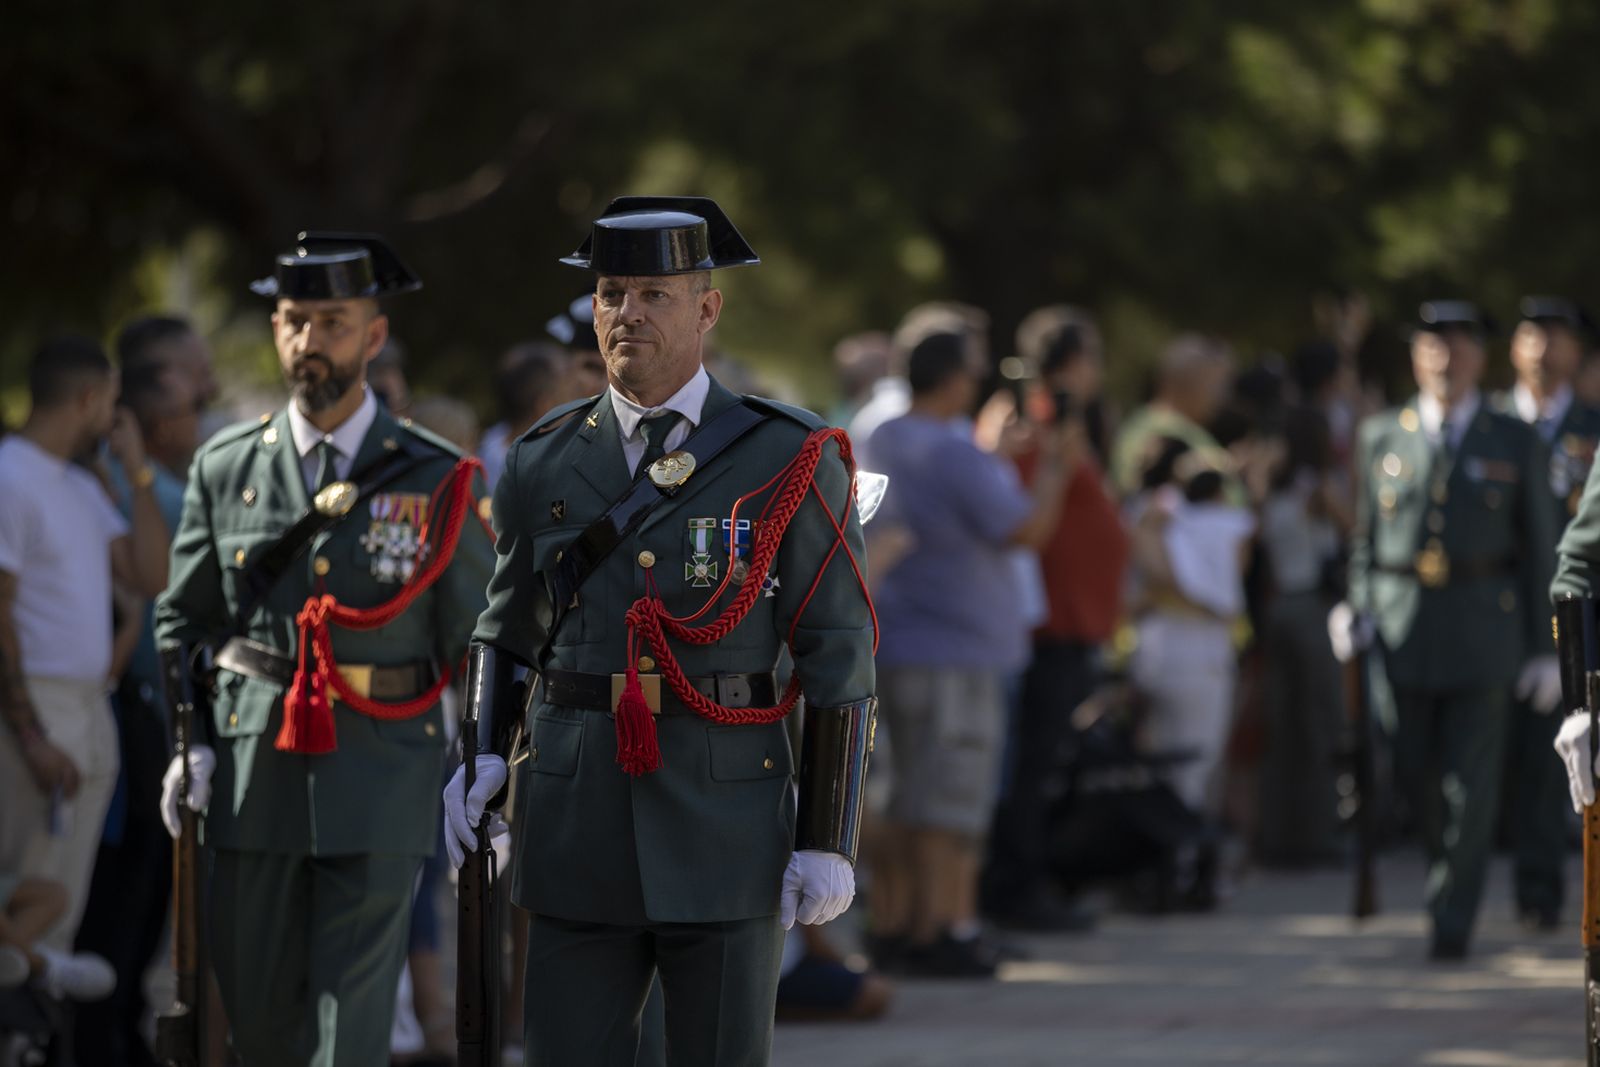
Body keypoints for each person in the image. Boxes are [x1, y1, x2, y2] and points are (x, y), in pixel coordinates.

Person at [443, 196, 877, 1066]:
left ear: (707, 307)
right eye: (611, 293)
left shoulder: (786, 454)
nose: (627, 313)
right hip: (576, 811)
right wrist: (483, 751)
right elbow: (506, 624)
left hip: (724, 813)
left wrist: (828, 834)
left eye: (653, 293)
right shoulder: (543, 457)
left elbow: (838, 646)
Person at [153, 231, 496, 1064]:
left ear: (373, 336)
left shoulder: (436, 476)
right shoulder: (226, 466)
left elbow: (479, 640)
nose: (309, 341)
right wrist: (188, 741)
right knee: (261, 1024)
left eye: (332, 322)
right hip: (249, 773)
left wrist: (481, 767)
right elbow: (183, 620)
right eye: (293, 321)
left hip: (380, 773)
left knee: (353, 1026)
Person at [1345, 300, 1559, 960]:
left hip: (1483, 630)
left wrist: (1547, 646)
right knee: (1412, 771)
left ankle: (1452, 916)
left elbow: (1541, 546)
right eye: (1434, 344)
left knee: (1473, 785)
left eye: (1461, 345)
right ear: (1416, 356)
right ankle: (1445, 878)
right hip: (1404, 625)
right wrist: (1354, 602)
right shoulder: (1382, 433)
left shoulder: (1512, 437)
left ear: (1479, 358)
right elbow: (1363, 538)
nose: (1447, 356)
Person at [863, 326, 1067, 976]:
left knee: (906, 794)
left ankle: (898, 923)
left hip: (903, 643)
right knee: (950, 801)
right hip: (959, 653)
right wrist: (1058, 469)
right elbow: (1024, 528)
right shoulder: (953, 452)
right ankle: (942, 928)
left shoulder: (886, 436)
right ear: (952, 380)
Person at [0, 336, 169, 955]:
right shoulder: (10, 476)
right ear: (90, 398)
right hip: (37, 715)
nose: (115, 417)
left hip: (88, 711)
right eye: (113, 403)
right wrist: (31, 734)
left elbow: (152, 578)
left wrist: (136, 472)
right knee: (27, 902)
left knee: (59, 919)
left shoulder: (78, 484)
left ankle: (39, 1044)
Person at [75, 326, 216, 1066]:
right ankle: (103, 1036)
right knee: (123, 898)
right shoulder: (131, 482)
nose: (206, 405)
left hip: (156, 717)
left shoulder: (160, 479)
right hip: (129, 715)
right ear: (158, 416)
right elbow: (156, 583)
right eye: (194, 394)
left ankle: (116, 1029)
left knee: (145, 899)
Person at [983, 304, 1126, 929]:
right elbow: (1017, 513)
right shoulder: (1027, 424)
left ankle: (1032, 880)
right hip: (1045, 625)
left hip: (1070, 622)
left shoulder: (1063, 424)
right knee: (1032, 767)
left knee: (1045, 763)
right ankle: (1018, 890)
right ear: (1070, 363)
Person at [1492, 296, 1600, 929]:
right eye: (1532, 333)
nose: (1543, 347)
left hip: (1558, 621)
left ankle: (1538, 891)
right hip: (1488, 618)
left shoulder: (1590, 426)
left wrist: (1560, 651)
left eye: (1557, 336)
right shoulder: (1493, 422)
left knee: (1544, 770)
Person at [1111, 333, 1240, 503]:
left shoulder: (1184, 427)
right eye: (1215, 384)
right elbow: (1134, 491)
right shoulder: (1154, 427)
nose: (1221, 397)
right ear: (1187, 379)